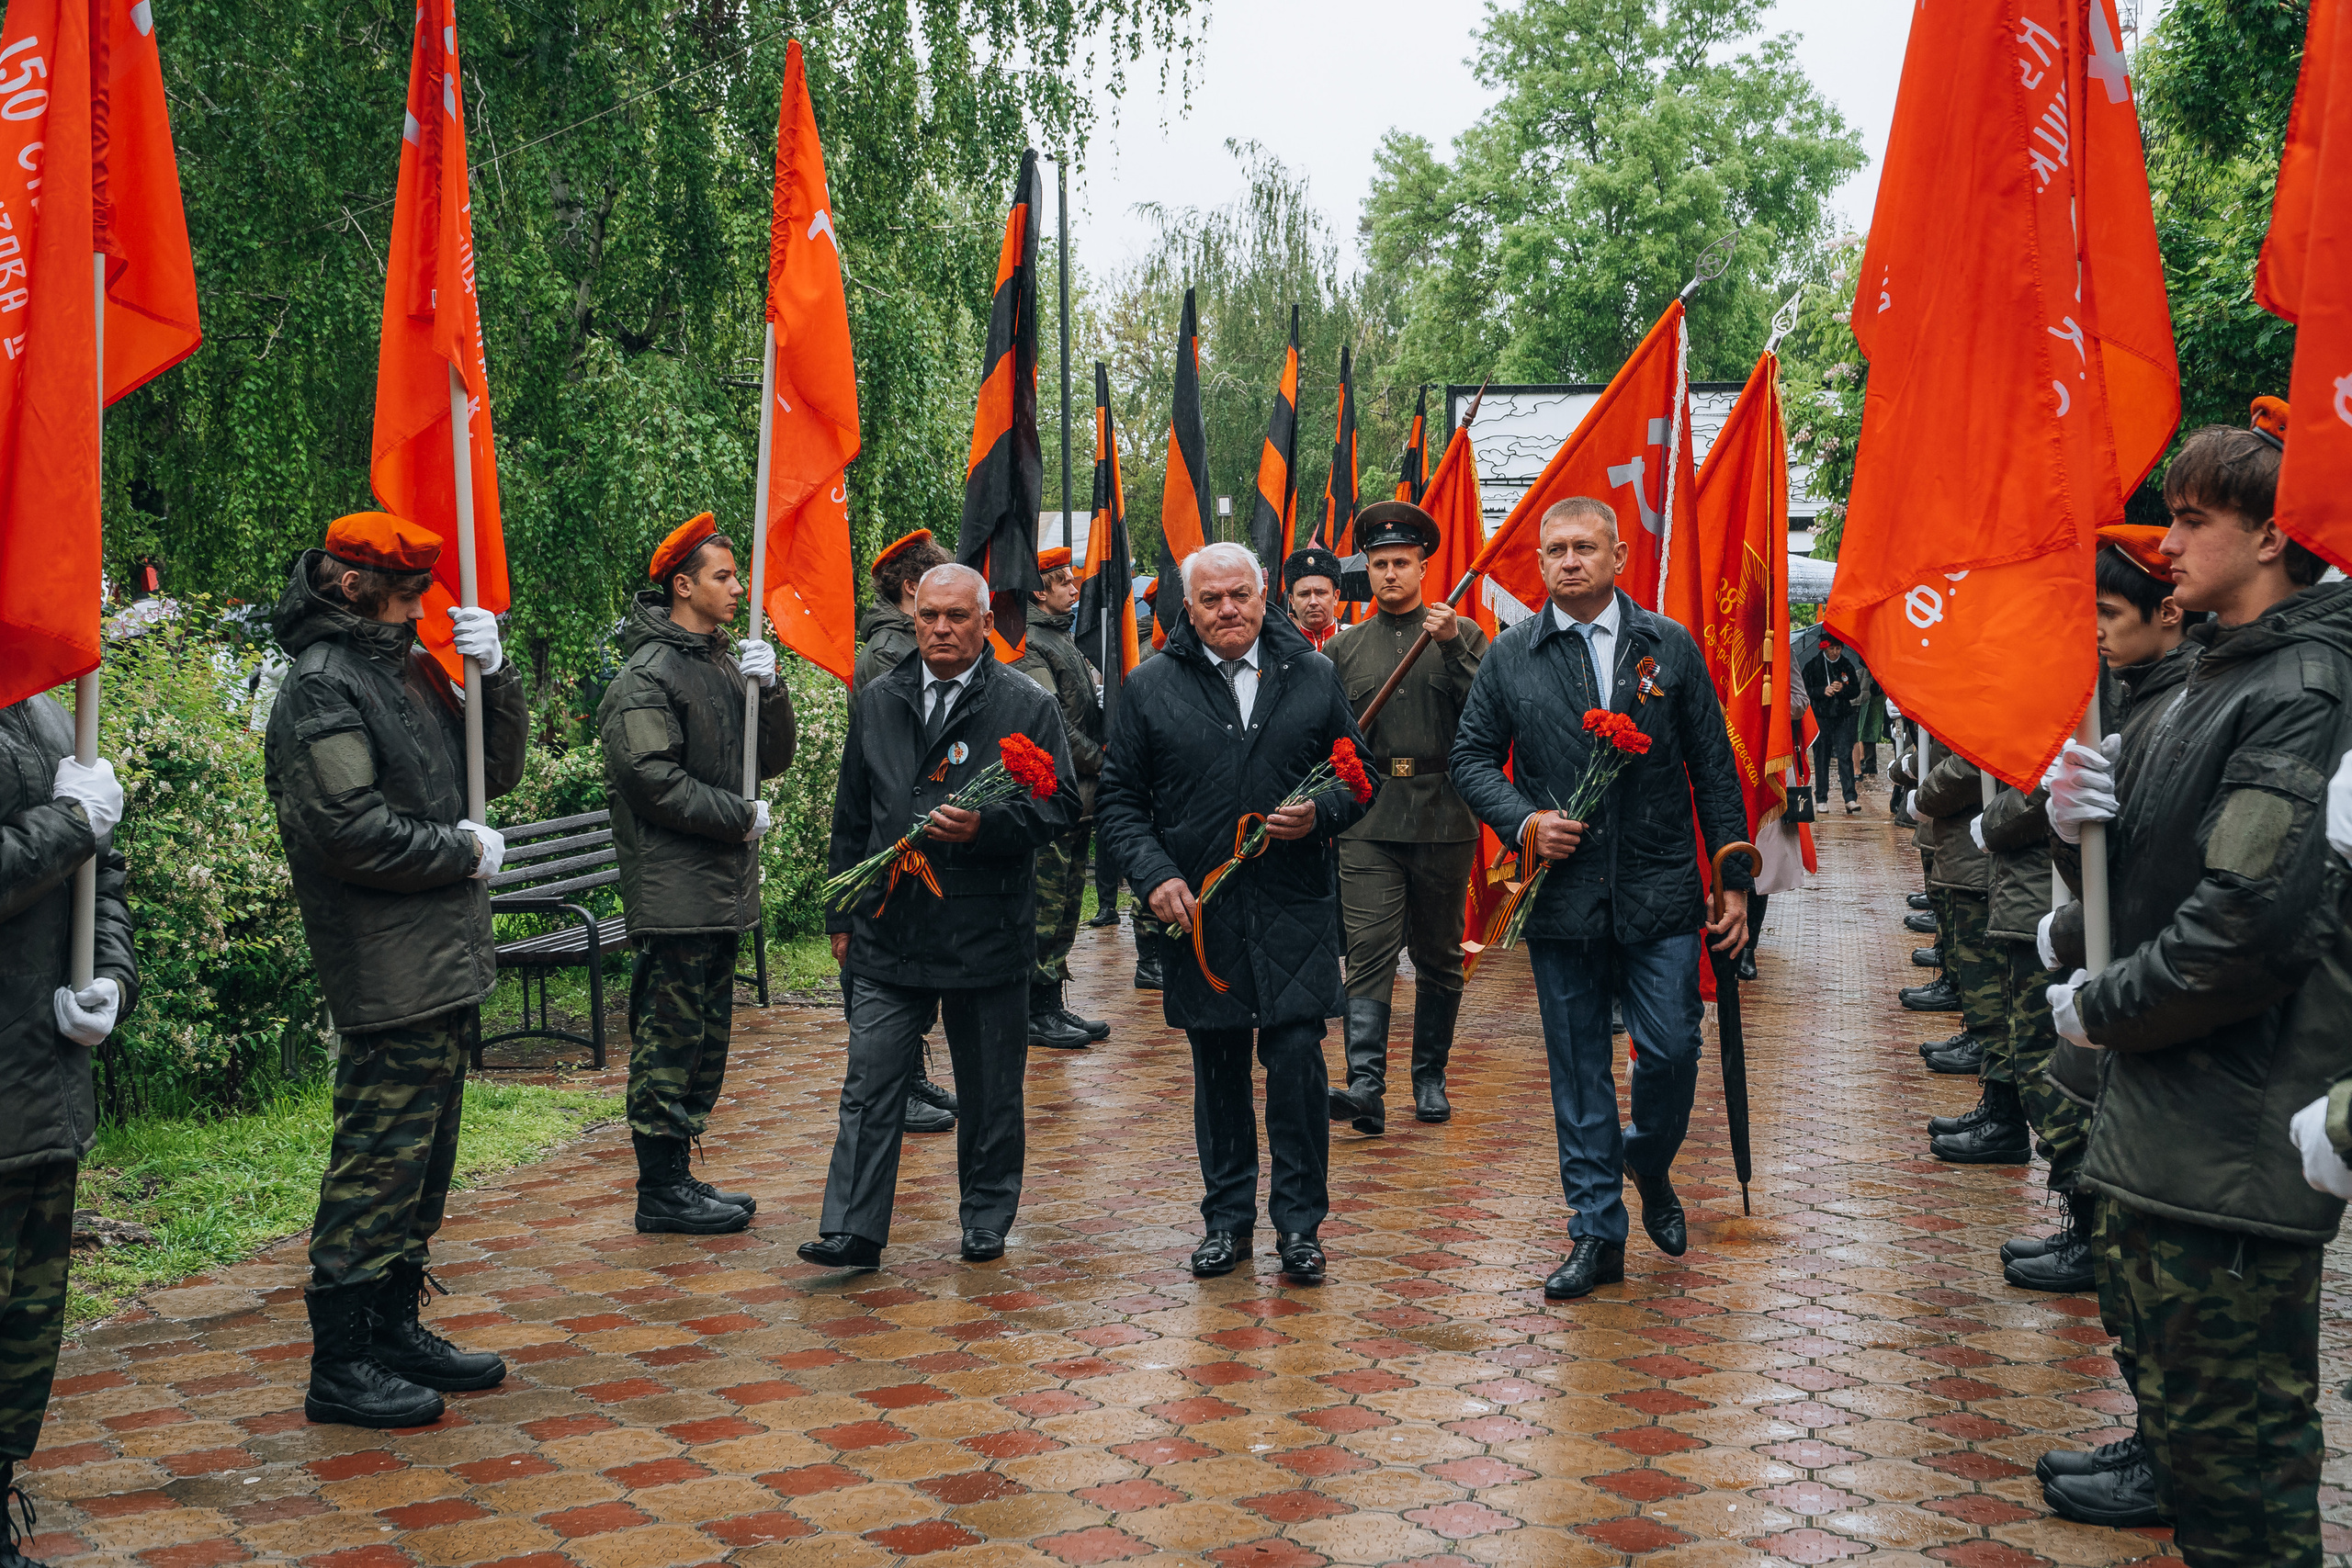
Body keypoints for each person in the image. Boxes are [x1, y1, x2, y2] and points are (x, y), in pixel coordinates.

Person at [2037, 407, 2352, 1556]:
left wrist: (2102, 1009)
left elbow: (2244, 931)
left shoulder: (2298, 688)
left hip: (2233, 1129)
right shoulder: (2215, 680)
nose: (2164, 545)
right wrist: (2081, 861)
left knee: (2243, 1480)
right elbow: (2165, 875)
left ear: (2273, 536)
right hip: (2173, 1120)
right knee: (2194, 1443)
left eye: (2190, 519)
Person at [264, 512, 528, 1428]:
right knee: (377, 1163)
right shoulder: (322, 687)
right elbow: (345, 830)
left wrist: (496, 677)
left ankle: (390, 1326)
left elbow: (495, 771)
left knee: (423, 1163)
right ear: (351, 585)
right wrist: (457, 852)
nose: (424, 608)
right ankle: (339, 1361)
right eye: (410, 592)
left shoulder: (406, 667)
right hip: (385, 966)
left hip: (440, 957)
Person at [1452, 496, 1751, 1301]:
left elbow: (1715, 772)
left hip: (1660, 892)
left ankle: (1647, 1158)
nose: (1570, 561)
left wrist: (1734, 882)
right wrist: (1525, 821)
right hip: (1564, 898)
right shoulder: (1513, 655)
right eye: (1555, 551)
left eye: (1586, 547)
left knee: (1673, 1049)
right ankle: (1595, 1232)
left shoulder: (1670, 646)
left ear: (1620, 555)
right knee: (1579, 1069)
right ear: (1540, 565)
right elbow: (1471, 759)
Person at [1096, 541, 1375, 1287]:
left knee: (1294, 1070)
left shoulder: (1312, 676)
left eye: (1241, 596)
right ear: (1187, 608)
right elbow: (1119, 801)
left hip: (1293, 909)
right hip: (1203, 919)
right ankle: (1226, 1222)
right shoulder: (1150, 686)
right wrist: (1154, 875)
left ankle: (1299, 1228)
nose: (1228, 610)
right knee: (1217, 1075)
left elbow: (1360, 777)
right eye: (1211, 598)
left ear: (1264, 598)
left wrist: (1319, 809)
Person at [806, 564, 1076, 1270]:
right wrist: (842, 908)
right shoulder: (881, 696)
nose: (940, 629)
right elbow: (853, 814)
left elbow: (1059, 807)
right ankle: (852, 1227)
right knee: (870, 1079)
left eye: (957, 616)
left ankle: (985, 1216)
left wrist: (985, 825)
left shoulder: (1024, 702)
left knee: (989, 1086)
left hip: (983, 927)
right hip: (890, 925)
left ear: (986, 622)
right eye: (928, 616)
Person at [598, 513, 797, 1235]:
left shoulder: (718, 661)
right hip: (677, 891)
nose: (737, 587)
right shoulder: (646, 674)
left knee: (706, 1039)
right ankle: (659, 1188)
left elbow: (768, 760)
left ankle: (679, 1175)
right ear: (683, 585)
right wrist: (737, 817)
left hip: (720, 888)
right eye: (723, 576)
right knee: (669, 1040)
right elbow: (651, 778)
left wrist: (769, 689)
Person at [2, 694, 137, 1543]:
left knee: (27, 1332)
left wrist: (112, 977)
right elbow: (72, 835)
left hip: (45, 1086)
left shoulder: (51, 713)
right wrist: (68, 821)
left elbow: (106, 878)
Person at [1322, 503, 1488, 1132]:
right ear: (1367, 569)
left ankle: (1430, 1076)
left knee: (1440, 953)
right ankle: (1366, 1084)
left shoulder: (1463, 634)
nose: (1390, 573)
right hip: (1368, 820)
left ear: (1424, 566)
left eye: (1402, 562)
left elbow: (1488, 714)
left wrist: (1449, 648)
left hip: (1444, 814)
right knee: (1368, 950)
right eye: (1380, 563)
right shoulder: (1343, 648)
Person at [849, 528, 960, 1134]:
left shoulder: (898, 642)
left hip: (914, 824)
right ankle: (897, 1087)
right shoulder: (893, 652)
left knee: (916, 958)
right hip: (897, 828)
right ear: (913, 589)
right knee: (899, 960)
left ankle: (911, 1077)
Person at [1008, 547, 1109, 1050]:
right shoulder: (1029, 643)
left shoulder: (1059, 638)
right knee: (1045, 904)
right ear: (1038, 591)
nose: (1074, 589)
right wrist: (1103, 760)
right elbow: (1052, 726)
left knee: (1068, 901)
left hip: (1076, 797)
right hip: (1049, 796)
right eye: (1063, 581)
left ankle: (1051, 1001)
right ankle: (1032, 1005)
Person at [853, 528, 950, 697]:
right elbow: (899, 720)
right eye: (937, 582)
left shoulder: (913, 636)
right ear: (912, 587)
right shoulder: (887, 652)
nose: (946, 590)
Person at [1801, 635, 1866, 813]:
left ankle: (1850, 798)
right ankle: (1821, 798)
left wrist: (1842, 689)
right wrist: (1823, 691)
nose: (1835, 652)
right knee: (1822, 757)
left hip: (1843, 717)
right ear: (1824, 649)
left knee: (1845, 755)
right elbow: (1805, 690)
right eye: (1831, 649)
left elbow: (1856, 690)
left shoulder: (1846, 665)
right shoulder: (1812, 666)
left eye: (1838, 649)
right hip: (1821, 717)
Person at [1284, 546, 1346, 653]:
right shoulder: (1282, 648)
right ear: (1292, 600)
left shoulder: (1356, 642)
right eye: (1304, 594)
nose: (1313, 602)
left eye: (1321, 593)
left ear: (1335, 597)